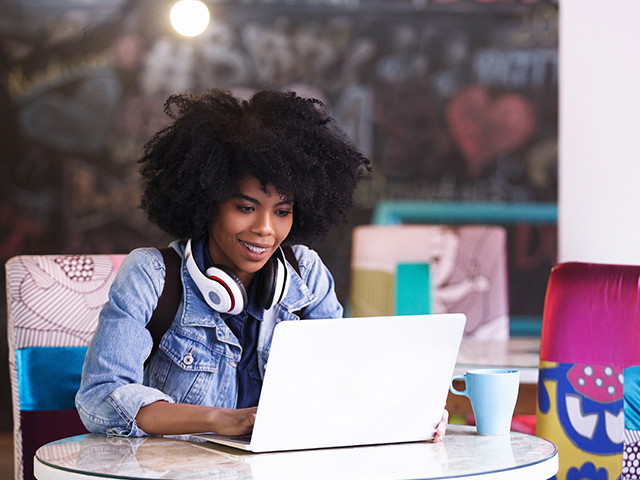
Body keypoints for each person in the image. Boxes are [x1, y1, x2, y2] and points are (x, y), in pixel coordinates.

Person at [75, 89, 448, 441]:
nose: (266, 230)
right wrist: (217, 419)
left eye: (282, 211)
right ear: (208, 201)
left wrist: (409, 407)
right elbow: (100, 399)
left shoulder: (307, 275)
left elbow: (342, 383)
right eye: (246, 208)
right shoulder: (151, 276)